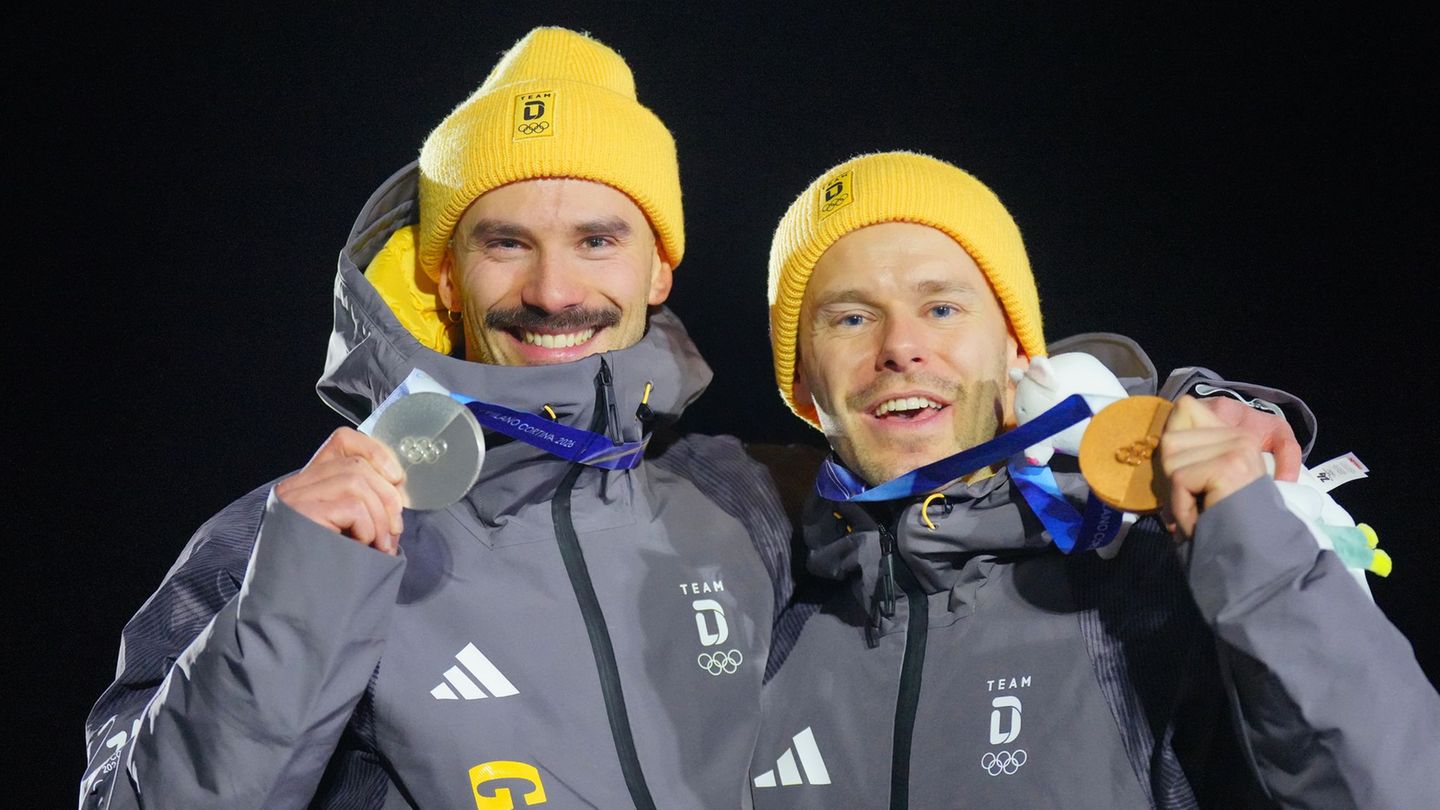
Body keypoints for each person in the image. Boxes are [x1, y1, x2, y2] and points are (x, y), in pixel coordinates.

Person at [79, 28, 795, 809]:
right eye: (507, 243)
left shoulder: (747, 503)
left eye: (595, 240)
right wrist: (300, 591)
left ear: (658, 267)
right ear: (448, 277)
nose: (553, 291)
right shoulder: (289, 538)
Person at [749, 151, 1440, 808]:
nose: (899, 346)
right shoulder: (762, 635)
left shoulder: (1159, 590)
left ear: (1019, 351)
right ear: (804, 382)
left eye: (941, 308)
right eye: (850, 317)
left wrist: (1259, 548)